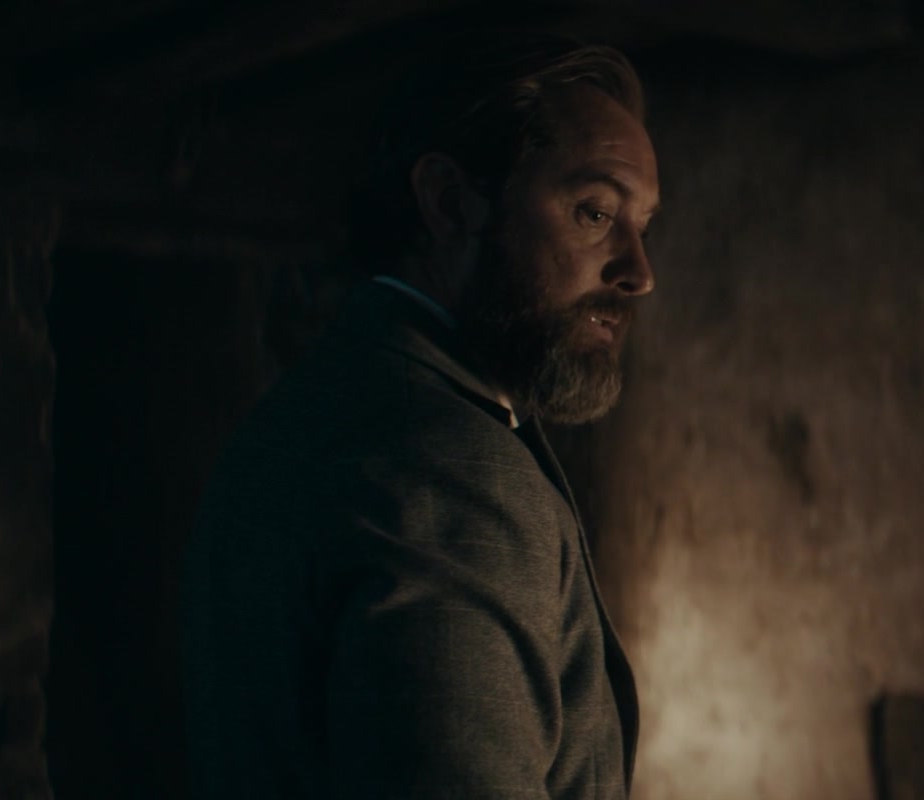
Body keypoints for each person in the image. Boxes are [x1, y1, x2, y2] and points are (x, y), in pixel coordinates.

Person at [182, 32, 658, 799]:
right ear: (448, 201)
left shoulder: (307, 413)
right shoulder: (457, 474)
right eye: (595, 212)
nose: (639, 272)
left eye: (644, 225)